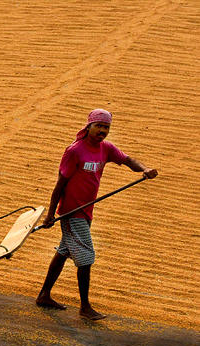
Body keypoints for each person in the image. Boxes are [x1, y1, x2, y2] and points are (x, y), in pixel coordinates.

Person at [35, 109, 157, 320]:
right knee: (86, 258)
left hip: (86, 210)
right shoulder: (74, 151)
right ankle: (85, 307)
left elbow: (128, 160)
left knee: (64, 251)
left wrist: (145, 169)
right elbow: (59, 185)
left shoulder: (106, 148)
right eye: (99, 126)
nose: (102, 131)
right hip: (72, 212)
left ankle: (44, 295)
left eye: (106, 127)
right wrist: (51, 214)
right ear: (88, 126)